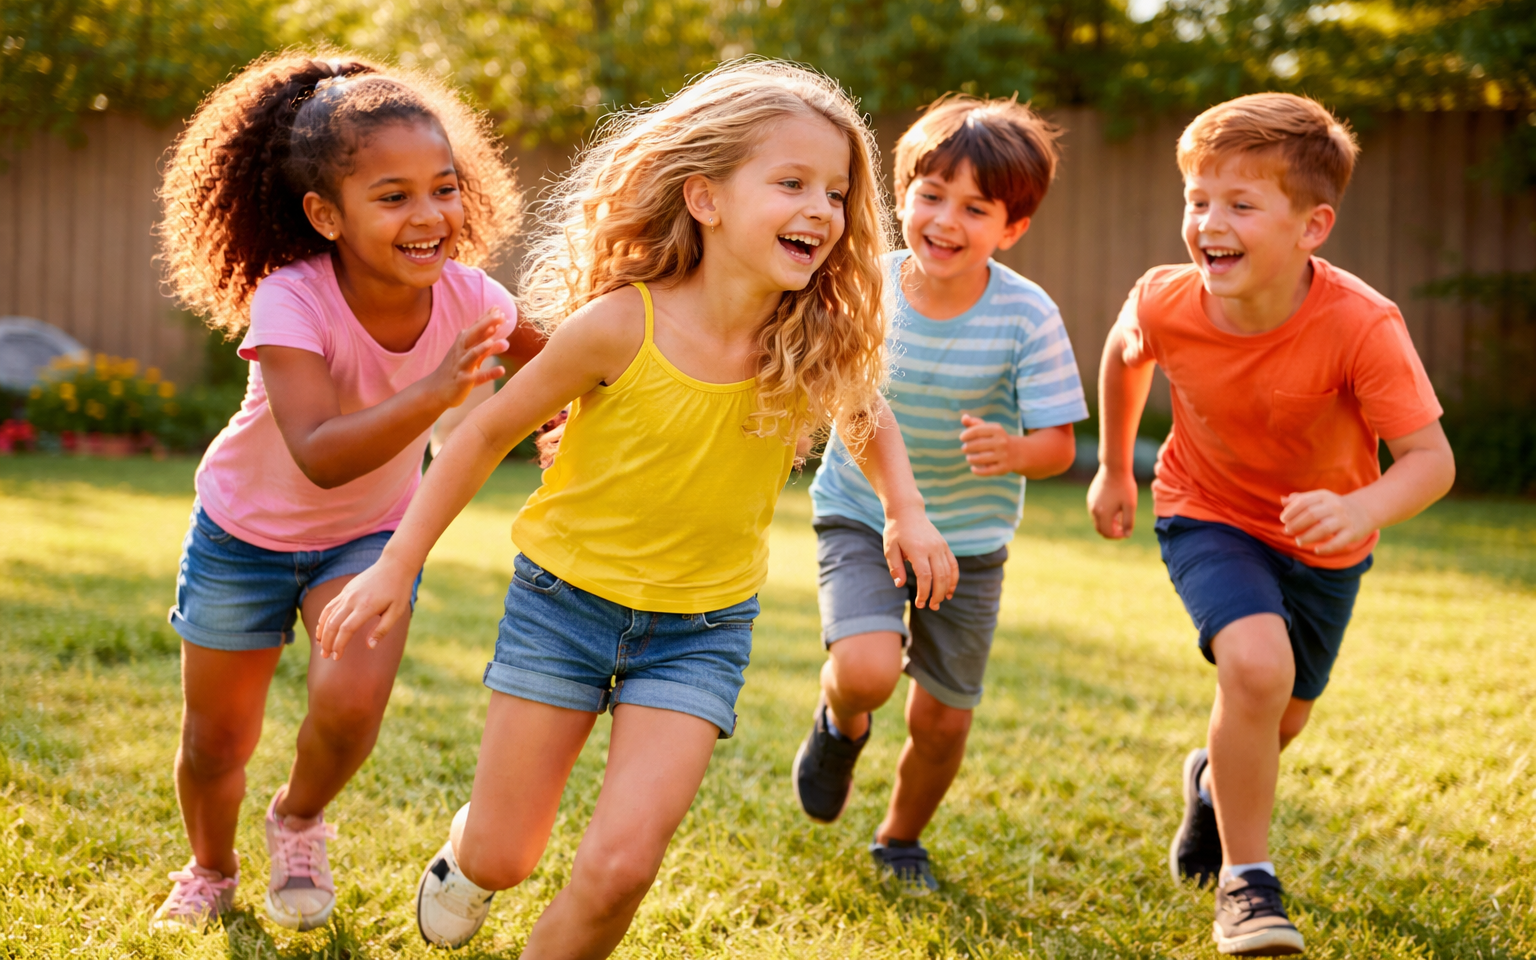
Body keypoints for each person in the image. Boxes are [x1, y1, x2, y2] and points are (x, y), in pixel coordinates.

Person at [315, 60, 959, 957]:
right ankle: (469, 856)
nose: (821, 209)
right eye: (791, 183)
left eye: (837, 192)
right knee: (505, 854)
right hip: (563, 609)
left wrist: (906, 510)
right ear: (705, 197)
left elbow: (865, 412)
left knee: (621, 869)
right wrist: (396, 563)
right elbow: (485, 432)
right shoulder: (622, 325)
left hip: (700, 630)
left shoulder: (809, 339)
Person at [150, 52, 541, 932]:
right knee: (216, 742)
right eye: (393, 196)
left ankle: (297, 819)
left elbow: (570, 364)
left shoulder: (473, 296)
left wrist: (577, 408)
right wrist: (436, 392)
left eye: (444, 189)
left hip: (368, 539)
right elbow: (320, 453)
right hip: (243, 536)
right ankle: (210, 869)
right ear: (326, 215)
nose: (429, 215)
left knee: (352, 705)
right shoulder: (290, 300)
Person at [1088, 93, 1455, 956]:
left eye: (1240, 205)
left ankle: (1210, 783)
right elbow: (1124, 351)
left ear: (1311, 227)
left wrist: (1360, 507)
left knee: (1279, 718)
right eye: (1197, 199)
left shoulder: (1361, 325)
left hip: (1326, 543)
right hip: (1206, 510)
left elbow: (1431, 460)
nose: (1209, 223)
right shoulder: (1167, 300)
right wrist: (1113, 464)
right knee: (1255, 669)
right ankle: (1248, 886)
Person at [792, 96, 1087, 892]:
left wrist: (1016, 449)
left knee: (944, 718)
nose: (946, 221)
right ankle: (841, 722)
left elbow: (1060, 447)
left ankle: (900, 838)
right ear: (901, 196)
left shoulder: (1028, 317)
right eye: (931, 195)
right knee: (867, 671)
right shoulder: (865, 288)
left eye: (976, 208)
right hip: (862, 512)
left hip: (970, 542)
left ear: (1012, 228)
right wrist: (899, 510)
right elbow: (850, 404)